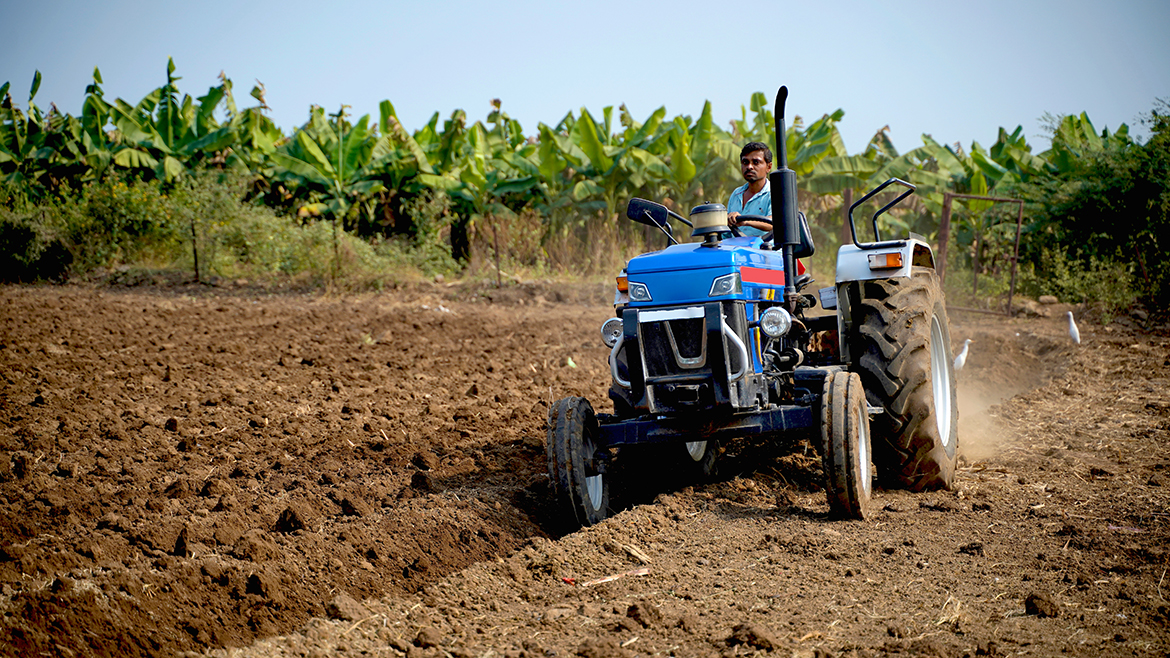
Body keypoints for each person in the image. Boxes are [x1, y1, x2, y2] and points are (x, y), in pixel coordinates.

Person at [726, 142, 773, 237]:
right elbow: (726, 233)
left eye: (756, 162)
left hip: (764, 250)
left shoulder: (775, 193)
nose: (749, 167)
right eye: (745, 162)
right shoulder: (736, 194)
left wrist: (746, 221)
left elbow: (776, 223)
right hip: (736, 249)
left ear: (768, 167)